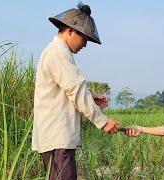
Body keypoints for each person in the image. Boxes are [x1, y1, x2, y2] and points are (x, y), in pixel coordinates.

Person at [32, 2, 119, 180]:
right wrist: (102, 121)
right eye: (84, 38)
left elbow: (64, 90)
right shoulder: (58, 53)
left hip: (54, 139)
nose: (85, 45)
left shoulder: (55, 52)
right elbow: (76, 90)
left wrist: (91, 97)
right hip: (58, 139)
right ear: (70, 30)